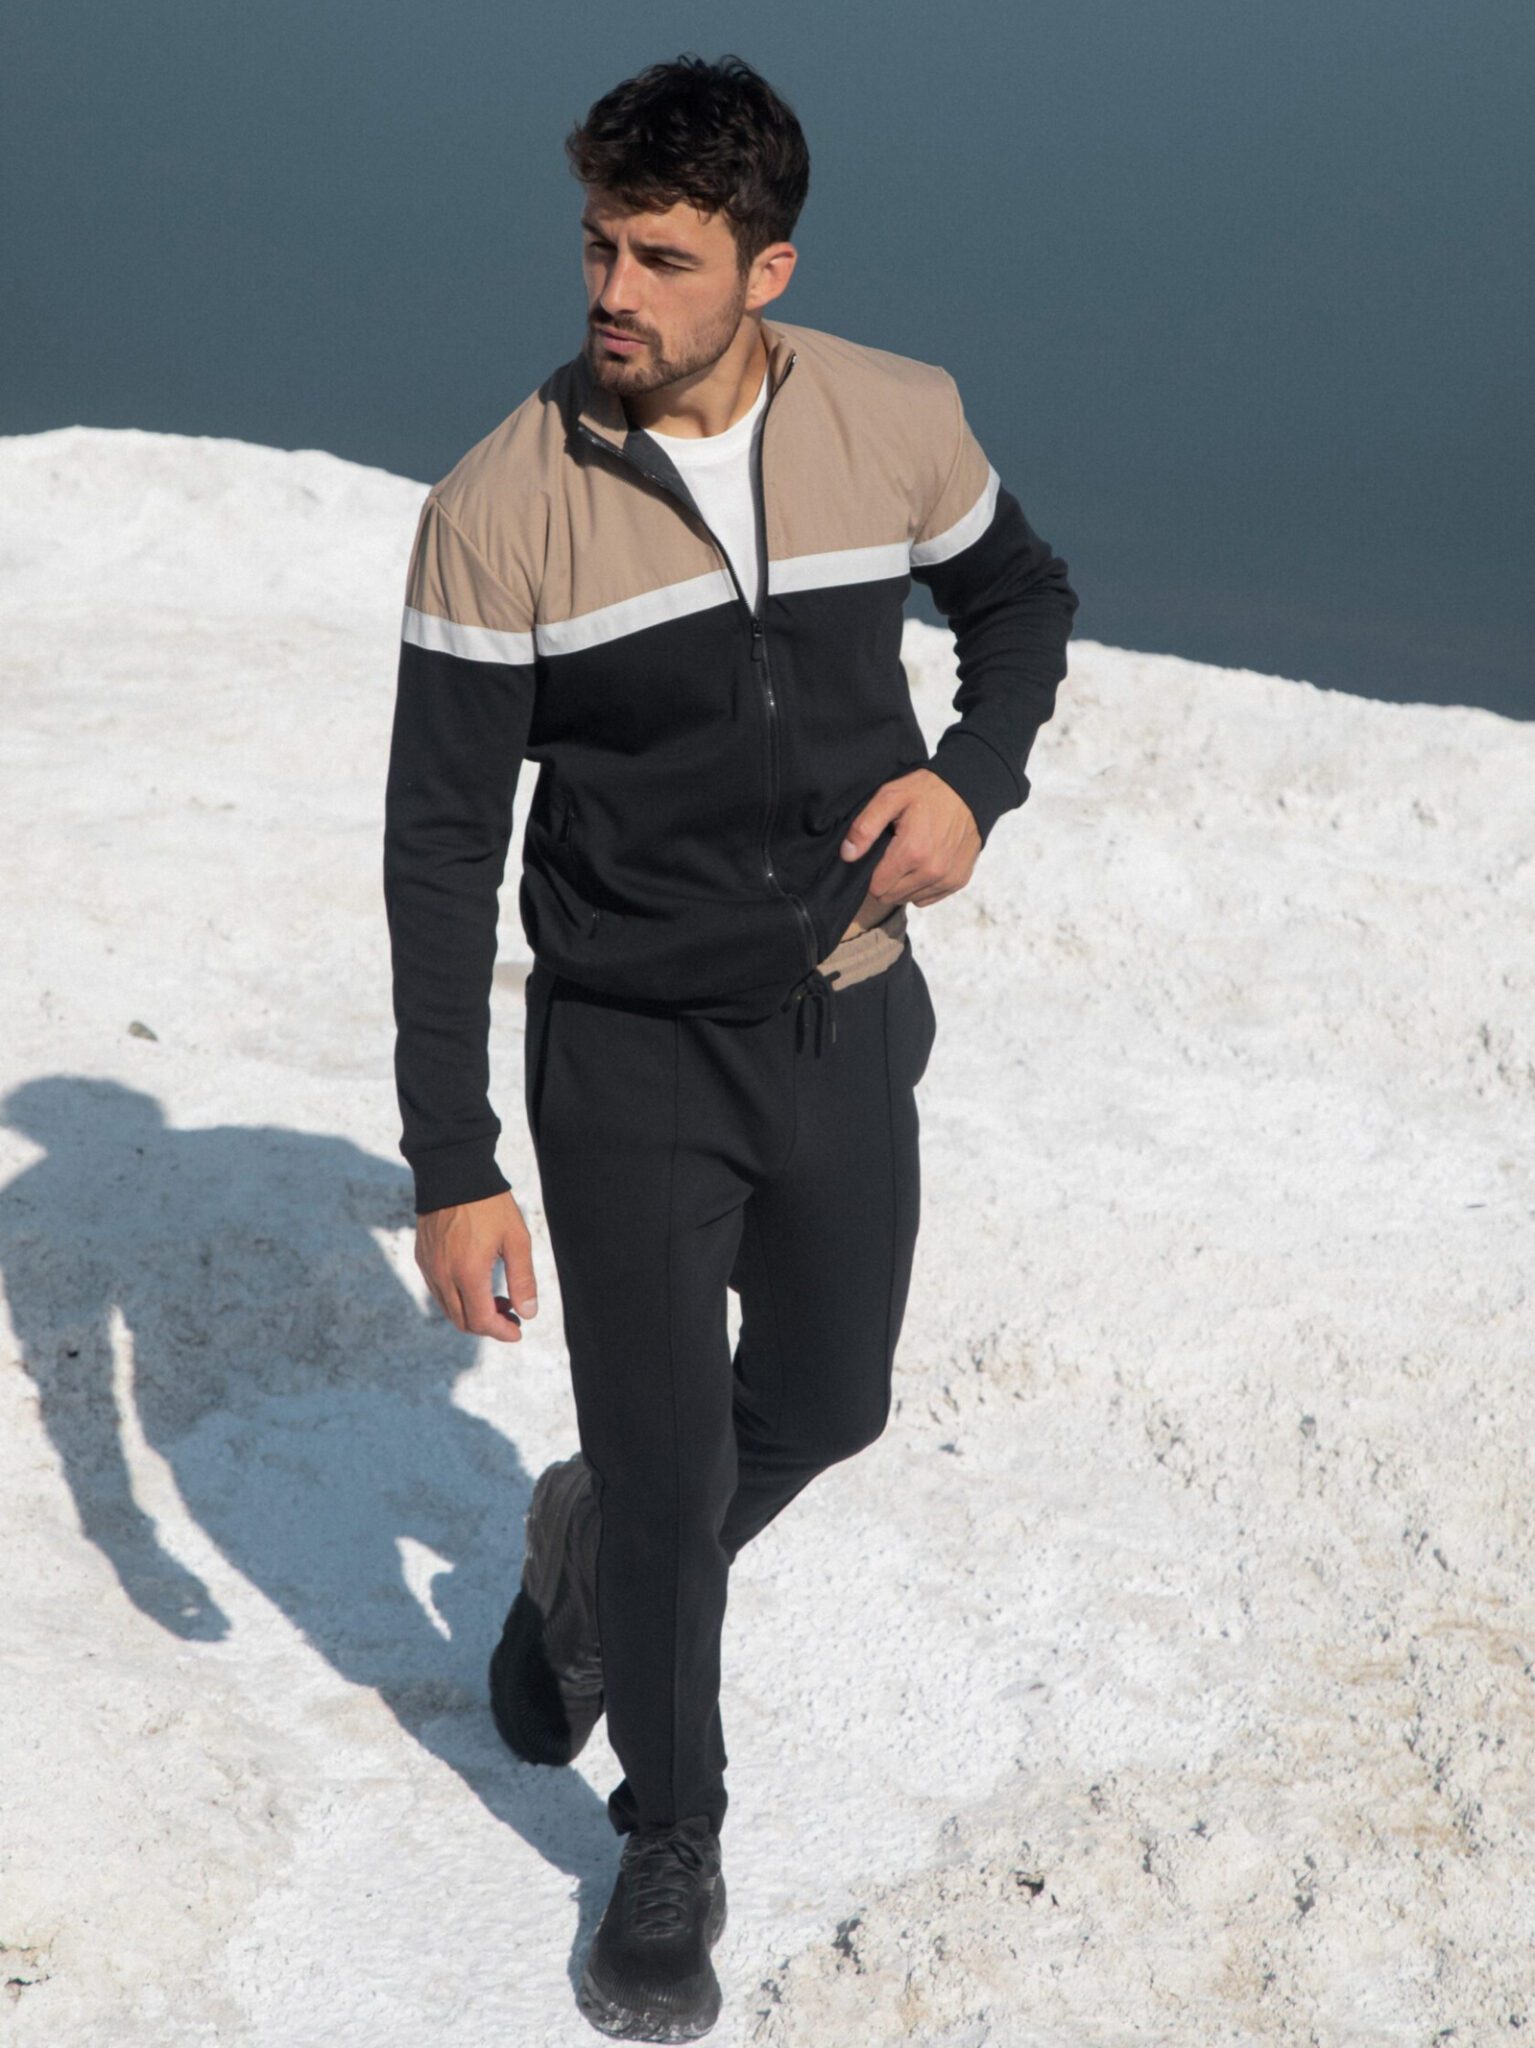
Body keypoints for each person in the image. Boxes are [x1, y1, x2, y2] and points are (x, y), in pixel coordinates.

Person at [382, 51, 1079, 2043]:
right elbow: (440, 850)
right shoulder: (499, 509)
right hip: (626, 1056)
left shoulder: (893, 417)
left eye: (663, 259)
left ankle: (592, 1547)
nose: (612, 290)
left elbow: (1020, 598)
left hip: (846, 1011)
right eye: (599, 245)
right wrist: (452, 1162)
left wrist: (971, 783)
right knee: (681, 1462)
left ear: (767, 270)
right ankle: (668, 1839)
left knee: (831, 1402)